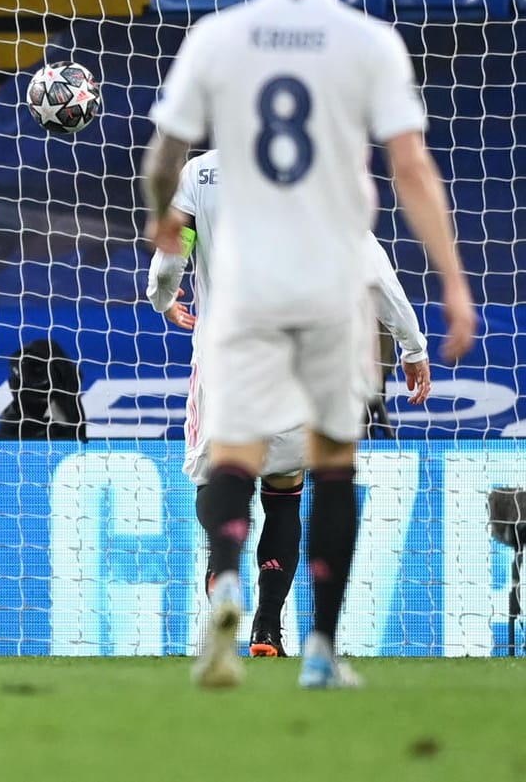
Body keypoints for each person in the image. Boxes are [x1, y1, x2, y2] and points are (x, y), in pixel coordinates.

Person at [144, 0, 476, 690]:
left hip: (245, 298)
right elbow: (409, 171)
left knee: (233, 455)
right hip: (328, 291)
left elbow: (163, 165)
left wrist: (164, 244)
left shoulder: (217, 38)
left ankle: (224, 578)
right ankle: (319, 648)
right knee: (326, 466)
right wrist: (446, 298)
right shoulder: (368, 43)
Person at [144, 147, 433, 657]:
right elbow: (375, 272)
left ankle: (223, 572)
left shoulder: (202, 171)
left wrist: (162, 298)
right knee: (285, 487)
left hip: (227, 360)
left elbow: (174, 252)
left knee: (220, 476)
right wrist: (412, 346)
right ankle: (268, 630)